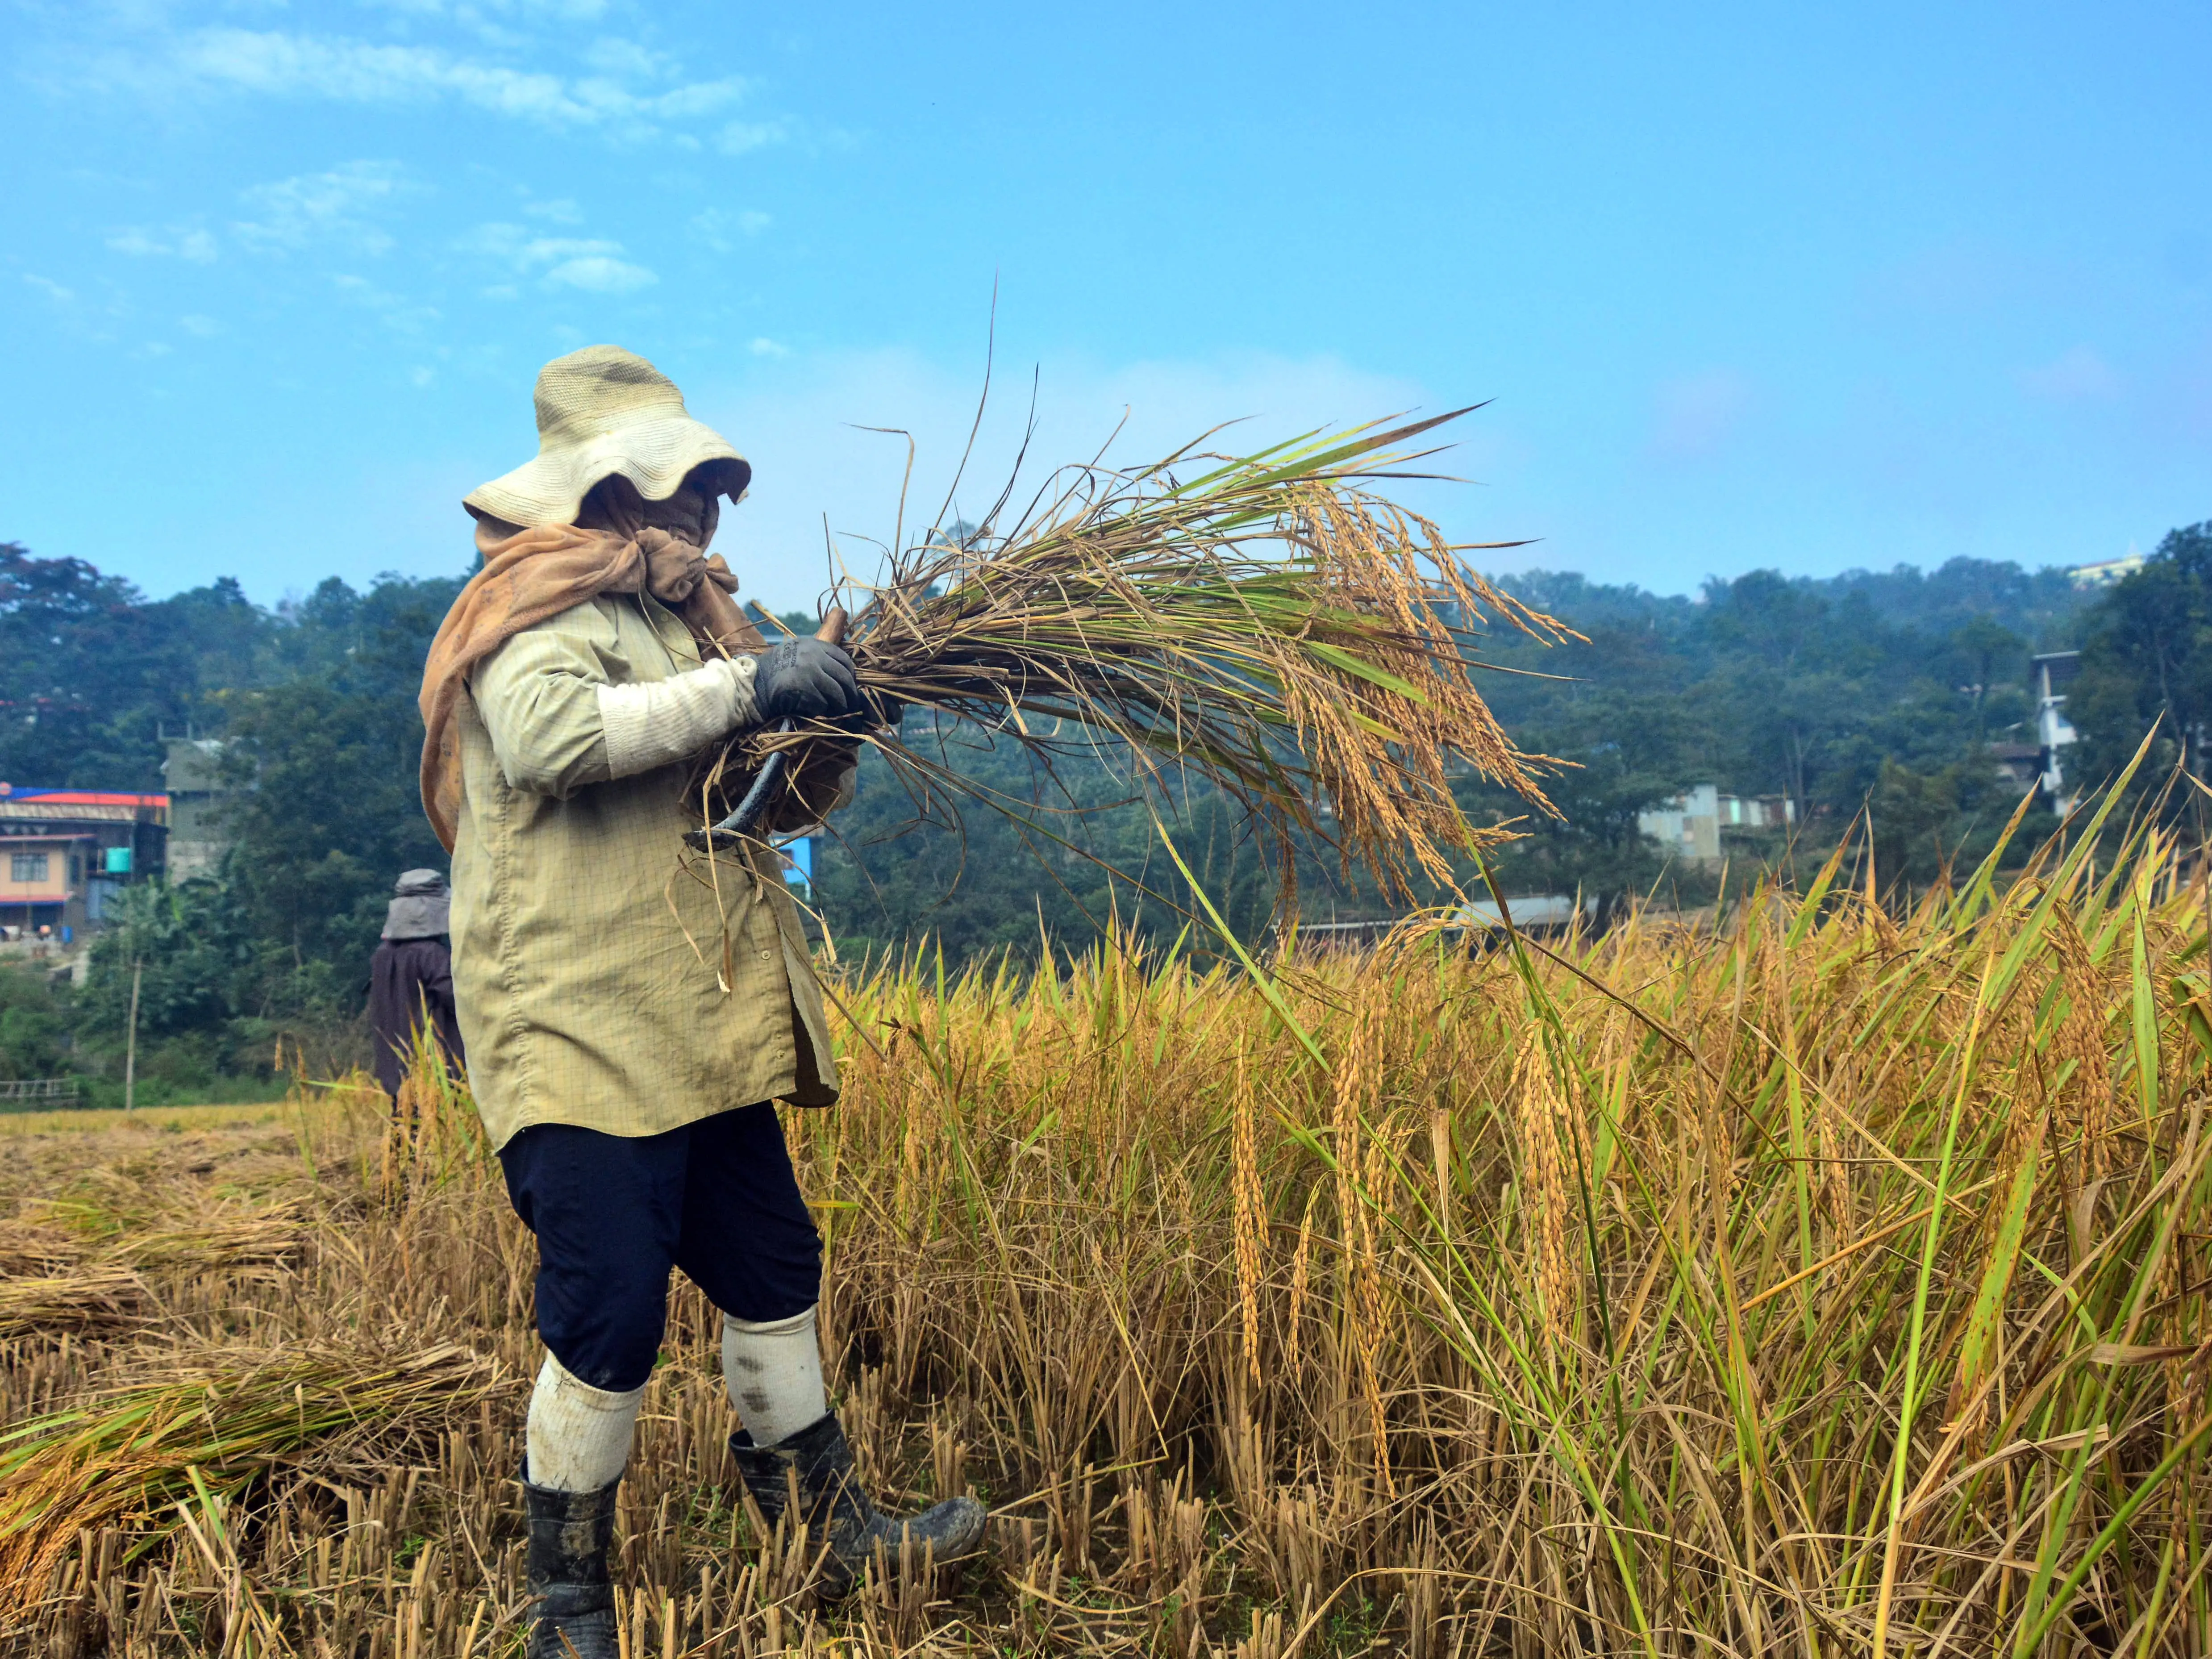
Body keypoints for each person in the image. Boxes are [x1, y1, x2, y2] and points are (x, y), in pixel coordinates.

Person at [417, 345, 982, 1659]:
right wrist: (751, 684)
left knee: (770, 1259)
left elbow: (752, 805)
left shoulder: (693, 623)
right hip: (578, 1016)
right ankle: (563, 1595)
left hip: (699, 1008)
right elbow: (562, 741)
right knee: (609, 1302)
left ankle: (824, 1521)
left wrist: (825, 721)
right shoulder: (531, 610)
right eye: (678, 486)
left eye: (713, 486)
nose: (706, 510)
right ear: (607, 493)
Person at [365, 869, 463, 1099]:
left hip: (395, 1072)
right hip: (439, 1072)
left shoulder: (381, 955)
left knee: (405, 1129)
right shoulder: (433, 955)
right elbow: (462, 1004)